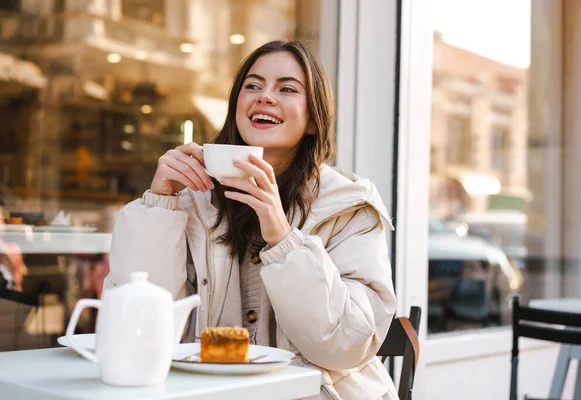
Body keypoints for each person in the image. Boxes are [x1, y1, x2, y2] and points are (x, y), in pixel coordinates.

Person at [106, 40, 398, 400]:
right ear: (237, 107)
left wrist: (282, 236)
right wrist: (159, 203)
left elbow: (343, 345)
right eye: (253, 85)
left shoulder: (348, 206)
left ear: (312, 120)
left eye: (287, 88)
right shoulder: (191, 199)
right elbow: (136, 330)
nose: (265, 97)